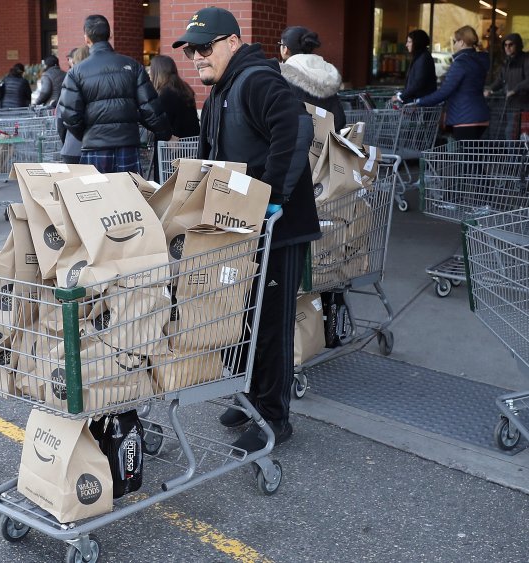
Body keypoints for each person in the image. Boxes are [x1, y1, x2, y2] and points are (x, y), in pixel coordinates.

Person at [174, 6, 320, 451]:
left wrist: (273, 198)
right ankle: (253, 397)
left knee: (271, 326)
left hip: (276, 229)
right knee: (240, 320)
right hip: (241, 232)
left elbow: (296, 127)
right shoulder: (222, 88)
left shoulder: (255, 79)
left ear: (232, 43)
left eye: (205, 47)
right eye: (190, 50)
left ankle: (275, 418)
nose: (196, 56)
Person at [59, 14, 170, 173]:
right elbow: (150, 108)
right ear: (109, 35)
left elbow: (70, 115)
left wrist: (89, 133)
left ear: (86, 38)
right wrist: (165, 133)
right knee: (127, 194)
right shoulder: (133, 66)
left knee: (97, 194)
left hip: (95, 147)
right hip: (127, 144)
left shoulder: (76, 72)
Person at [415, 26, 490, 141]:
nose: (454, 45)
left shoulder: (461, 63)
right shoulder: (480, 60)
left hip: (464, 117)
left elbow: (445, 91)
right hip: (481, 116)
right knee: (474, 156)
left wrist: (419, 102)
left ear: (462, 43)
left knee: (466, 157)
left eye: (455, 41)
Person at [277, 26, 346, 130]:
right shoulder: (326, 74)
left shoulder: (282, 76)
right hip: (325, 142)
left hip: (296, 142)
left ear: (285, 49)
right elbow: (339, 120)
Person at [485, 33, 529, 138]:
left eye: (511, 45)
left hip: (524, 106)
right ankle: (512, 155)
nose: (507, 48)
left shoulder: (526, 60)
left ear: (518, 45)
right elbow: (500, 80)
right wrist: (490, 89)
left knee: (516, 135)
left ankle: (517, 155)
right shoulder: (507, 62)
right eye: (505, 45)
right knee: (509, 134)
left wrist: (514, 90)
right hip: (511, 106)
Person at [148, 55, 200, 138]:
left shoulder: (166, 93)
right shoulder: (182, 87)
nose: (149, 72)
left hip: (173, 145)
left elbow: (160, 123)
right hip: (189, 142)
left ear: (158, 71)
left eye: (151, 69)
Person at [59, 46, 89, 164]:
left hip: (73, 147)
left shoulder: (72, 77)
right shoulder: (104, 80)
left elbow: (62, 117)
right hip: (98, 146)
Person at [394, 30, 436, 105]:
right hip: (419, 103)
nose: (406, 45)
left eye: (409, 42)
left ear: (417, 43)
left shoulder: (423, 58)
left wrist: (401, 97)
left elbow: (418, 83)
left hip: (422, 106)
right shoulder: (419, 56)